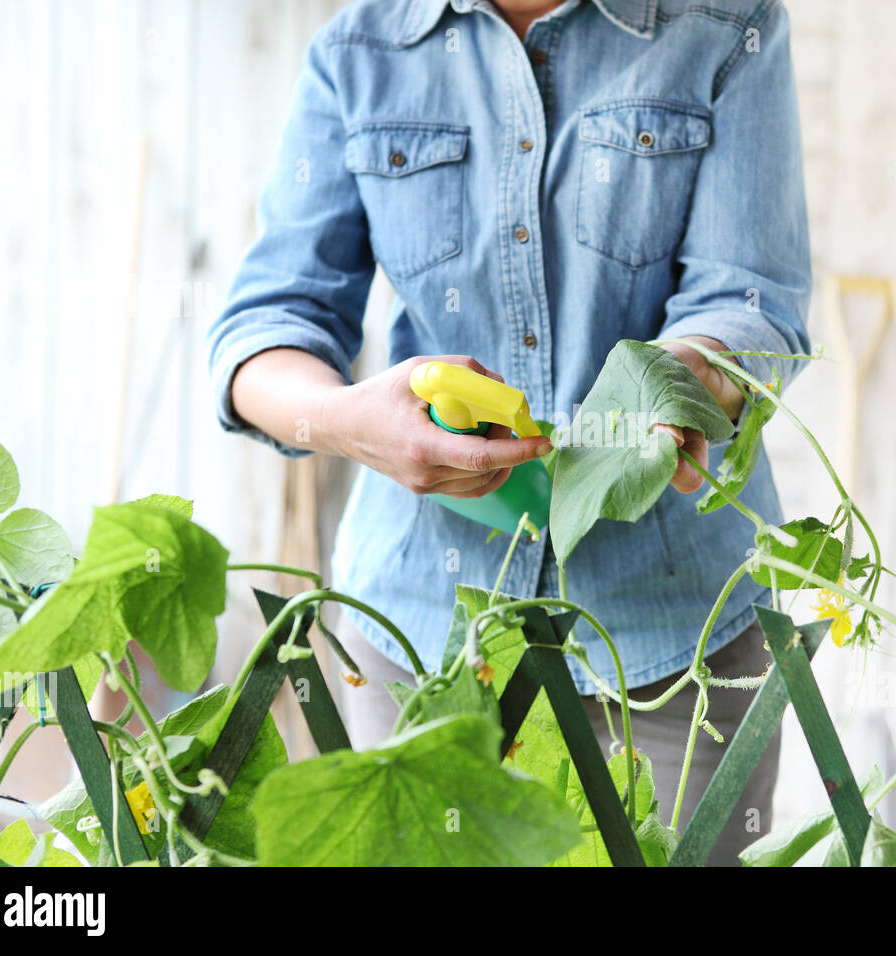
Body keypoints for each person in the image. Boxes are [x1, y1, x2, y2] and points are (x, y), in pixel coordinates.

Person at [207, 0, 811, 865]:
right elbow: (265, 330)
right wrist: (349, 423)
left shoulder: (725, 24)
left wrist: (678, 385)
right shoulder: (360, 48)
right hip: (418, 633)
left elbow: (750, 299)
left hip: (676, 634)